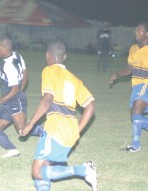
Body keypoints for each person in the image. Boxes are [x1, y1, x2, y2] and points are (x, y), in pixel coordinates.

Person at [20, 41, 97, 191]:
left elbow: (47, 99)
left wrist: (30, 124)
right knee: (45, 166)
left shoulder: (49, 70)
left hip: (56, 129)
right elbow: (91, 106)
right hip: (70, 130)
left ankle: (84, 170)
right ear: (65, 56)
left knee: (37, 171)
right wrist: (77, 131)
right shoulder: (74, 79)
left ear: (47, 55)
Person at [0, 36, 42, 158]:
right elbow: (25, 74)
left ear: (5, 48)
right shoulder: (17, 55)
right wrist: (19, 91)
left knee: (22, 130)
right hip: (9, 99)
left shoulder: (8, 65)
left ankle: (50, 135)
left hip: (14, 101)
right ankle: (12, 150)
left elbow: (15, 88)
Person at [110, 23, 148, 152]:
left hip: (146, 84)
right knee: (135, 116)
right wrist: (119, 74)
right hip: (136, 85)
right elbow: (130, 68)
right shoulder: (133, 48)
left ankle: (135, 145)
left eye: (140, 31)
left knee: (137, 110)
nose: (137, 33)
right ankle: (135, 145)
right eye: (136, 30)